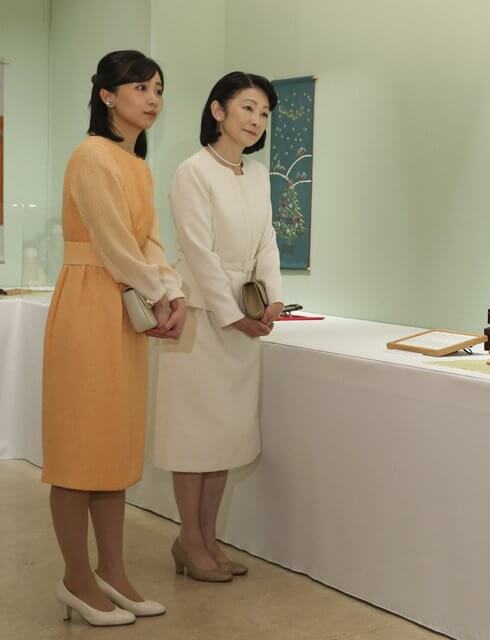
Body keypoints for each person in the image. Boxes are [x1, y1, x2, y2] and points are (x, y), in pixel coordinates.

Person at [42, 50, 186, 626]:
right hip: (88, 302)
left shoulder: (138, 165)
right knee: (79, 446)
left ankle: (113, 571)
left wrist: (170, 288)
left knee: (113, 442)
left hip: (124, 304)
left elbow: (147, 240)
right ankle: (77, 578)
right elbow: (112, 243)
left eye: (158, 88)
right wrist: (159, 291)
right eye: (140, 88)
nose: (152, 99)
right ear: (107, 96)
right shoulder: (90, 156)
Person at [151, 72, 283, 582]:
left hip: (244, 319)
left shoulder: (259, 174)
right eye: (247, 108)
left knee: (225, 439)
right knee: (194, 439)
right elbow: (200, 254)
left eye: (264, 112)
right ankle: (189, 539)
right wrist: (234, 316)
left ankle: (208, 541)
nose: (256, 120)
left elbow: (267, 242)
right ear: (217, 111)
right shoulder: (192, 171)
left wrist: (270, 303)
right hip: (204, 320)